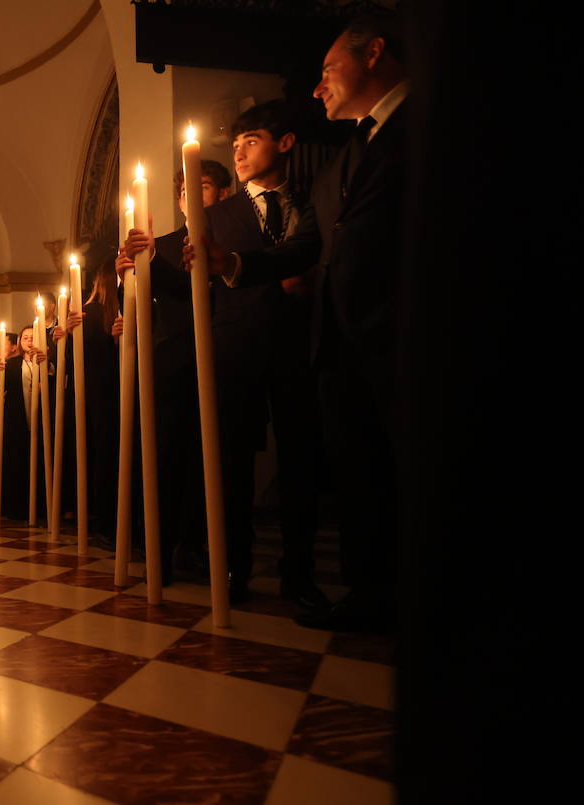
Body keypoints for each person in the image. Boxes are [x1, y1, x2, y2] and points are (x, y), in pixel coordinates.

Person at [188, 12, 407, 632]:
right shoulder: (344, 160)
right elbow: (309, 244)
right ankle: (366, 592)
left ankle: (325, 577)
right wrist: (232, 263)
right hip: (305, 346)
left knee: (326, 467)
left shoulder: (414, 130)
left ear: (375, 55)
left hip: (370, 333)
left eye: (328, 70)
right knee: (355, 472)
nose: (318, 87)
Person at [208, 100, 328, 610]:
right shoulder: (216, 215)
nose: (238, 151)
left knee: (302, 459)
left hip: (301, 349)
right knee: (234, 462)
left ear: (284, 144)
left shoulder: (314, 202)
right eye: (233, 145)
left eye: (249, 140)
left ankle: (298, 571)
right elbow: (190, 273)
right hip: (238, 350)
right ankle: (235, 564)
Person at [119, 160, 231, 582]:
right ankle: (160, 552)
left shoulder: (233, 238)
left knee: (216, 463)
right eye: (185, 191)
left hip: (222, 360)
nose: (191, 197)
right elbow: (146, 299)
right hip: (171, 364)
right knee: (167, 458)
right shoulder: (161, 244)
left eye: (202, 187)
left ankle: (206, 548)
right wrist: (126, 274)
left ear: (221, 193)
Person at [54, 258, 121, 545]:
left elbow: (70, 361)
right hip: (110, 394)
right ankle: (110, 520)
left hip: (96, 396)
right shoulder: (95, 313)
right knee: (109, 457)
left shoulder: (91, 313)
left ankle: (102, 519)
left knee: (102, 457)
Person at [0, 326, 47, 520]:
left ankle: (41, 506)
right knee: (18, 460)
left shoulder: (45, 358)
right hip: (17, 418)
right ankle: (17, 506)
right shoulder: (13, 363)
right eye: (25, 337)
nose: (29, 340)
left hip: (42, 417)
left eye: (33, 337)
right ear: (20, 343)